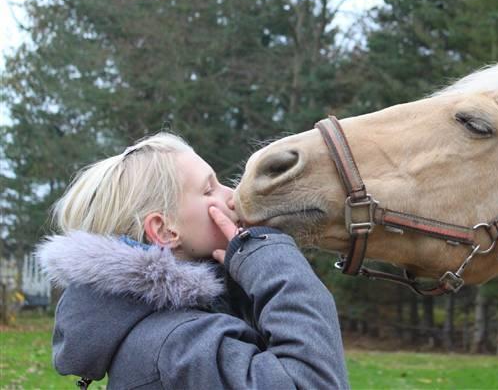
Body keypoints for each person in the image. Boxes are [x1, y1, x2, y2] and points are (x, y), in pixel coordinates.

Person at [37, 132, 349, 389]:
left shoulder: (173, 332)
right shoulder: (176, 349)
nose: (231, 195)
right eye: (208, 189)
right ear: (165, 229)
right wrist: (273, 260)